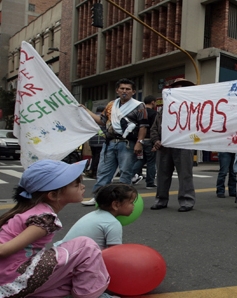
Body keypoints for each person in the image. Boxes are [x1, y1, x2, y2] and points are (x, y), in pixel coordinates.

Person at [0, 159, 121, 298]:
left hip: (5, 280)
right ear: (53, 195)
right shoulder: (44, 219)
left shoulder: (31, 211)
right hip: (16, 278)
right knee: (86, 246)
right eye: (76, 184)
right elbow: (2, 251)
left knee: (69, 263)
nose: (83, 187)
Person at [81, 79, 148, 206]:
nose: (124, 91)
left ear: (133, 92)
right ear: (117, 90)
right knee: (103, 171)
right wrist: (86, 111)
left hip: (127, 143)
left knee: (125, 172)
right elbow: (102, 121)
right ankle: (98, 197)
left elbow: (143, 126)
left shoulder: (139, 106)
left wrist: (140, 142)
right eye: (122, 88)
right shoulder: (111, 105)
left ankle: (123, 199)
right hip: (109, 142)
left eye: (128, 89)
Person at [150, 78, 196, 211]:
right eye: (176, 87)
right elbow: (154, 128)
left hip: (183, 145)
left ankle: (187, 201)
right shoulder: (164, 108)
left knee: (185, 175)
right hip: (164, 147)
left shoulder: (192, 107)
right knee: (162, 175)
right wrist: (156, 141)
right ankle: (161, 200)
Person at [59, 183, 137, 249]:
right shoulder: (112, 223)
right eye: (131, 203)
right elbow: (115, 253)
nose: (134, 206)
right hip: (72, 261)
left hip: (62, 253)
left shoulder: (93, 215)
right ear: (115, 205)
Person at [131, 95, 158, 189]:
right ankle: (150, 182)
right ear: (153, 102)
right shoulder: (154, 113)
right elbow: (156, 127)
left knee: (141, 160)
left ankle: (129, 175)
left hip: (139, 140)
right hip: (150, 140)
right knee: (151, 162)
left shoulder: (139, 112)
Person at [86, 106, 106, 178]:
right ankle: (95, 171)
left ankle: (91, 170)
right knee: (98, 157)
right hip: (100, 140)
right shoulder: (102, 117)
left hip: (92, 140)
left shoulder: (91, 117)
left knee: (94, 156)